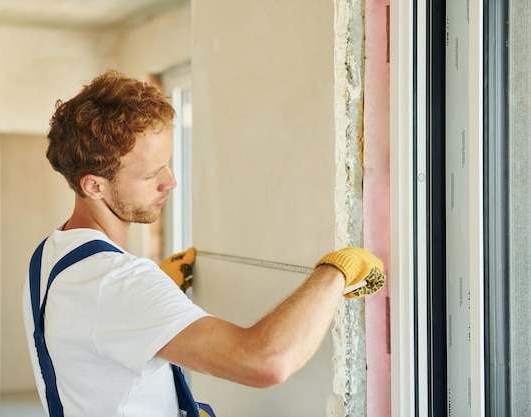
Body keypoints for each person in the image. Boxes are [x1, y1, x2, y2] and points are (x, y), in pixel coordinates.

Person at [23, 69, 385, 417]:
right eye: (151, 174)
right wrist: (335, 272)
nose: (171, 182)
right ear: (93, 185)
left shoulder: (53, 255)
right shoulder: (119, 284)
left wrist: (155, 306)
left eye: (166, 164)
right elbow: (264, 362)